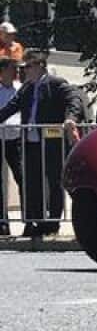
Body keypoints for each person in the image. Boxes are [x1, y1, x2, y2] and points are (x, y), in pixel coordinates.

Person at [0, 51, 84, 237]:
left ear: (39, 65)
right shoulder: (26, 89)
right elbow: (9, 109)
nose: (23, 71)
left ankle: (53, 222)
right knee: (32, 184)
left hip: (52, 143)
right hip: (30, 143)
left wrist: (70, 119)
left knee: (54, 182)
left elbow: (74, 100)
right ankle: (33, 222)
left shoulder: (56, 83)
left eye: (27, 66)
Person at [0, 58, 22, 236]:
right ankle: (2, 222)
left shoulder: (21, 88)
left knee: (22, 178)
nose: (16, 71)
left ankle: (30, 221)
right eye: (13, 68)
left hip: (16, 138)